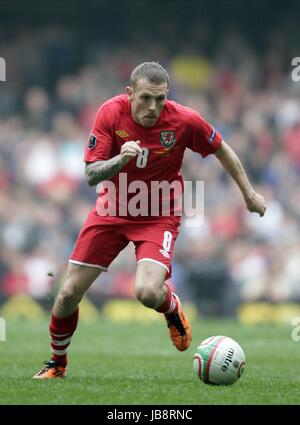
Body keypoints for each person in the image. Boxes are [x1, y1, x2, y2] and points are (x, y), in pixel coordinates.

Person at [33, 62, 266, 379]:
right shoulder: (110, 114)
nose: (153, 107)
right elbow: (90, 175)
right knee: (68, 292)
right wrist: (120, 159)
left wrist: (249, 195)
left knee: (146, 292)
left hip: (158, 216)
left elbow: (222, 149)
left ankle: (171, 309)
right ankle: (57, 364)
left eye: (160, 99)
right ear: (130, 94)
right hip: (111, 211)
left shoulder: (184, 120)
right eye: (145, 98)